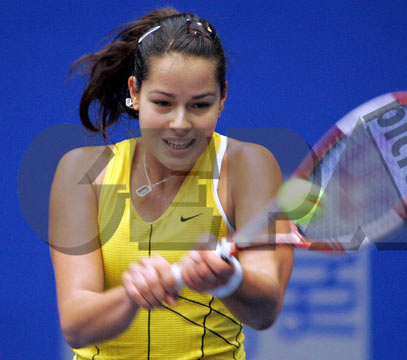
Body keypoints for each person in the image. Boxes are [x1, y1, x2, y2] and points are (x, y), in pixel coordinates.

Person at [49, 7, 294, 360]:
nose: (180, 123)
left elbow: (265, 309)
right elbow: (75, 322)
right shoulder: (82, 172)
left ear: (222, 97)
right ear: (134, 91)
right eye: (163, 103)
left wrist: (228, 278)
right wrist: (132, 294)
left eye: (200, 105)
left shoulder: (248, 166)